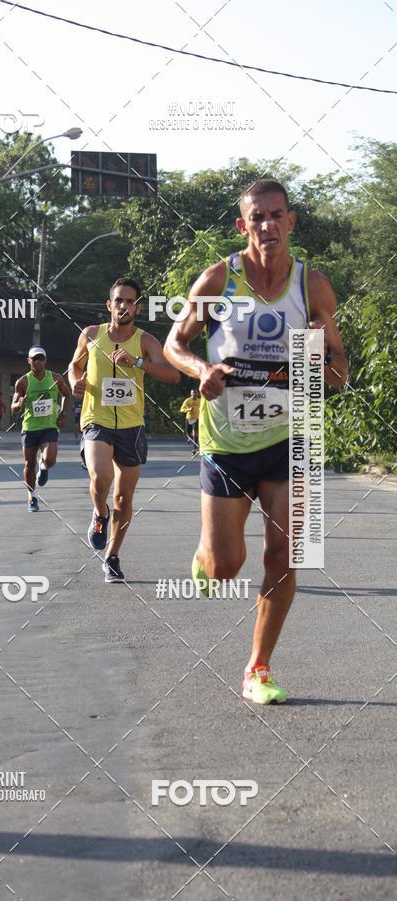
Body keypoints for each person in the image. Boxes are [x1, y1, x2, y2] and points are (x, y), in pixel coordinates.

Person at [164, 178, 348, 704]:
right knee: (226, 568)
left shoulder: (313, 288)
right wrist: (201, 369)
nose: (267, 225)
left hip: (291, 438)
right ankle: (206, 559)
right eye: (257, 218)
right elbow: (177, 343)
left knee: (287, 554)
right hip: (226, 440)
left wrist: (324, 353)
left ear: (291, 222)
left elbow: (338, 375)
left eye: (277, 215)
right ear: (243, 226)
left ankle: (258, 669)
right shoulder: (219, 280)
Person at [68, 276, 180, 583]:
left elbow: (173, 375)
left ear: (138, 307)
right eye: (118, 300)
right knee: (100, 476)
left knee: (123, 499)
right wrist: (75, 379)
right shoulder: (91, 335)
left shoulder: (146, 341)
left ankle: (112, 557)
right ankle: (99, 514)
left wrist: (139, 362)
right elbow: (75, 365)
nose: (123, 306)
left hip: (132, 426)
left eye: (129, 301)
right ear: (109, 305)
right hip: (97, 420)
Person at [11, 346, 71, 512]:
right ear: (29, 361)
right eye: (34, 359)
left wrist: (62, 414)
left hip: (49, 427)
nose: (37, 362)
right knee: (29, 464)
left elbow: (67, 394)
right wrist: (19, 404)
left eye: (41, 358)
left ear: (45, 361)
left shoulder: (56, 378)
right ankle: (31, 496)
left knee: (50, 459)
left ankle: (43, 468)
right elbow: (13, 407)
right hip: (30, 428)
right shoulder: (23, 381)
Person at [180, 388, 200, 456]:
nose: (194, 394)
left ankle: (194, 449)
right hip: (189, 418)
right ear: (191, 394)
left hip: (197, 418)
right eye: (193, 393)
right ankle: (190, 437)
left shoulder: (200, 401)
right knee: (188, 433)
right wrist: (188, 409)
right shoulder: (188, 400)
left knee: (195, 434)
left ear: (197, 393)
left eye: (195, 393)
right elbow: (182, 409)